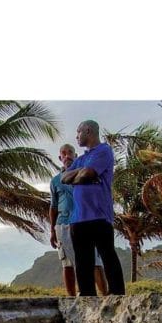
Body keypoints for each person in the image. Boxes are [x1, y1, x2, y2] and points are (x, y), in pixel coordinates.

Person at [62, 120, 125, 296]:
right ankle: (87, 296)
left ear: (88, 131)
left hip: (99, 214)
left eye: (78, 132)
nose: (76, 136)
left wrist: (82, 174)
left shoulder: (104, 150)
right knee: (83, 262)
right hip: (78, 218)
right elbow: (64, 178)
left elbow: (88, 174)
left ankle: (117, 294)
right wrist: (80, 174)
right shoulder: (81, 158)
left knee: (107, 256)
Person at [49, 144, 108, 297]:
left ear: (76, 155)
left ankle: (105, 296)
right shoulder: (55, 181)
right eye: (64, 153)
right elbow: (53, 206)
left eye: (70, 152)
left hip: (85, 222)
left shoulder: (85, 174)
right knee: (67, 263)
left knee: (94, 261)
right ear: (60, 158)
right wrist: (52, 230)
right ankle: (71, 297)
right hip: (63, 224)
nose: (67, 156)